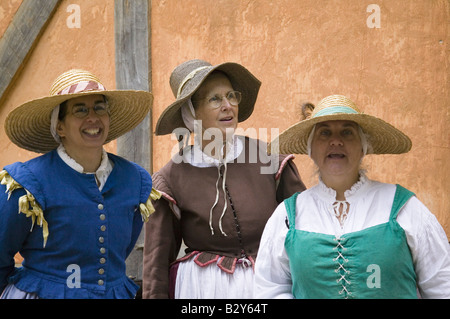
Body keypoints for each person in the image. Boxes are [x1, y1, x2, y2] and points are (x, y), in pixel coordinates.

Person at [255, 94, 450, 299]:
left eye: (347, 132)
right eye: (325, 133)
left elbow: (443, 286)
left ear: (363, 146)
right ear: (310, 148)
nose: (336, 141)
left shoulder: (404, 208)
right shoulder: (288, 216)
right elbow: (269, 289)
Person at [142, 59, 306, 299]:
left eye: (231, 96)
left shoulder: (270, 161)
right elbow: (156, 262)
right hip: (204, 291)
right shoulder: (170, 179)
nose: (228, 106)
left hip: (270, 287)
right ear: (192, 113)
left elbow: (305, 232)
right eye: (215, 99)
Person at [0, 69, 159, 299]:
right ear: (60, 127)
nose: (92, 117)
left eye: (100, 108)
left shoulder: (134, 180)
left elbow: (119, 252)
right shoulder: (28, 183)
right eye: (80, 110)